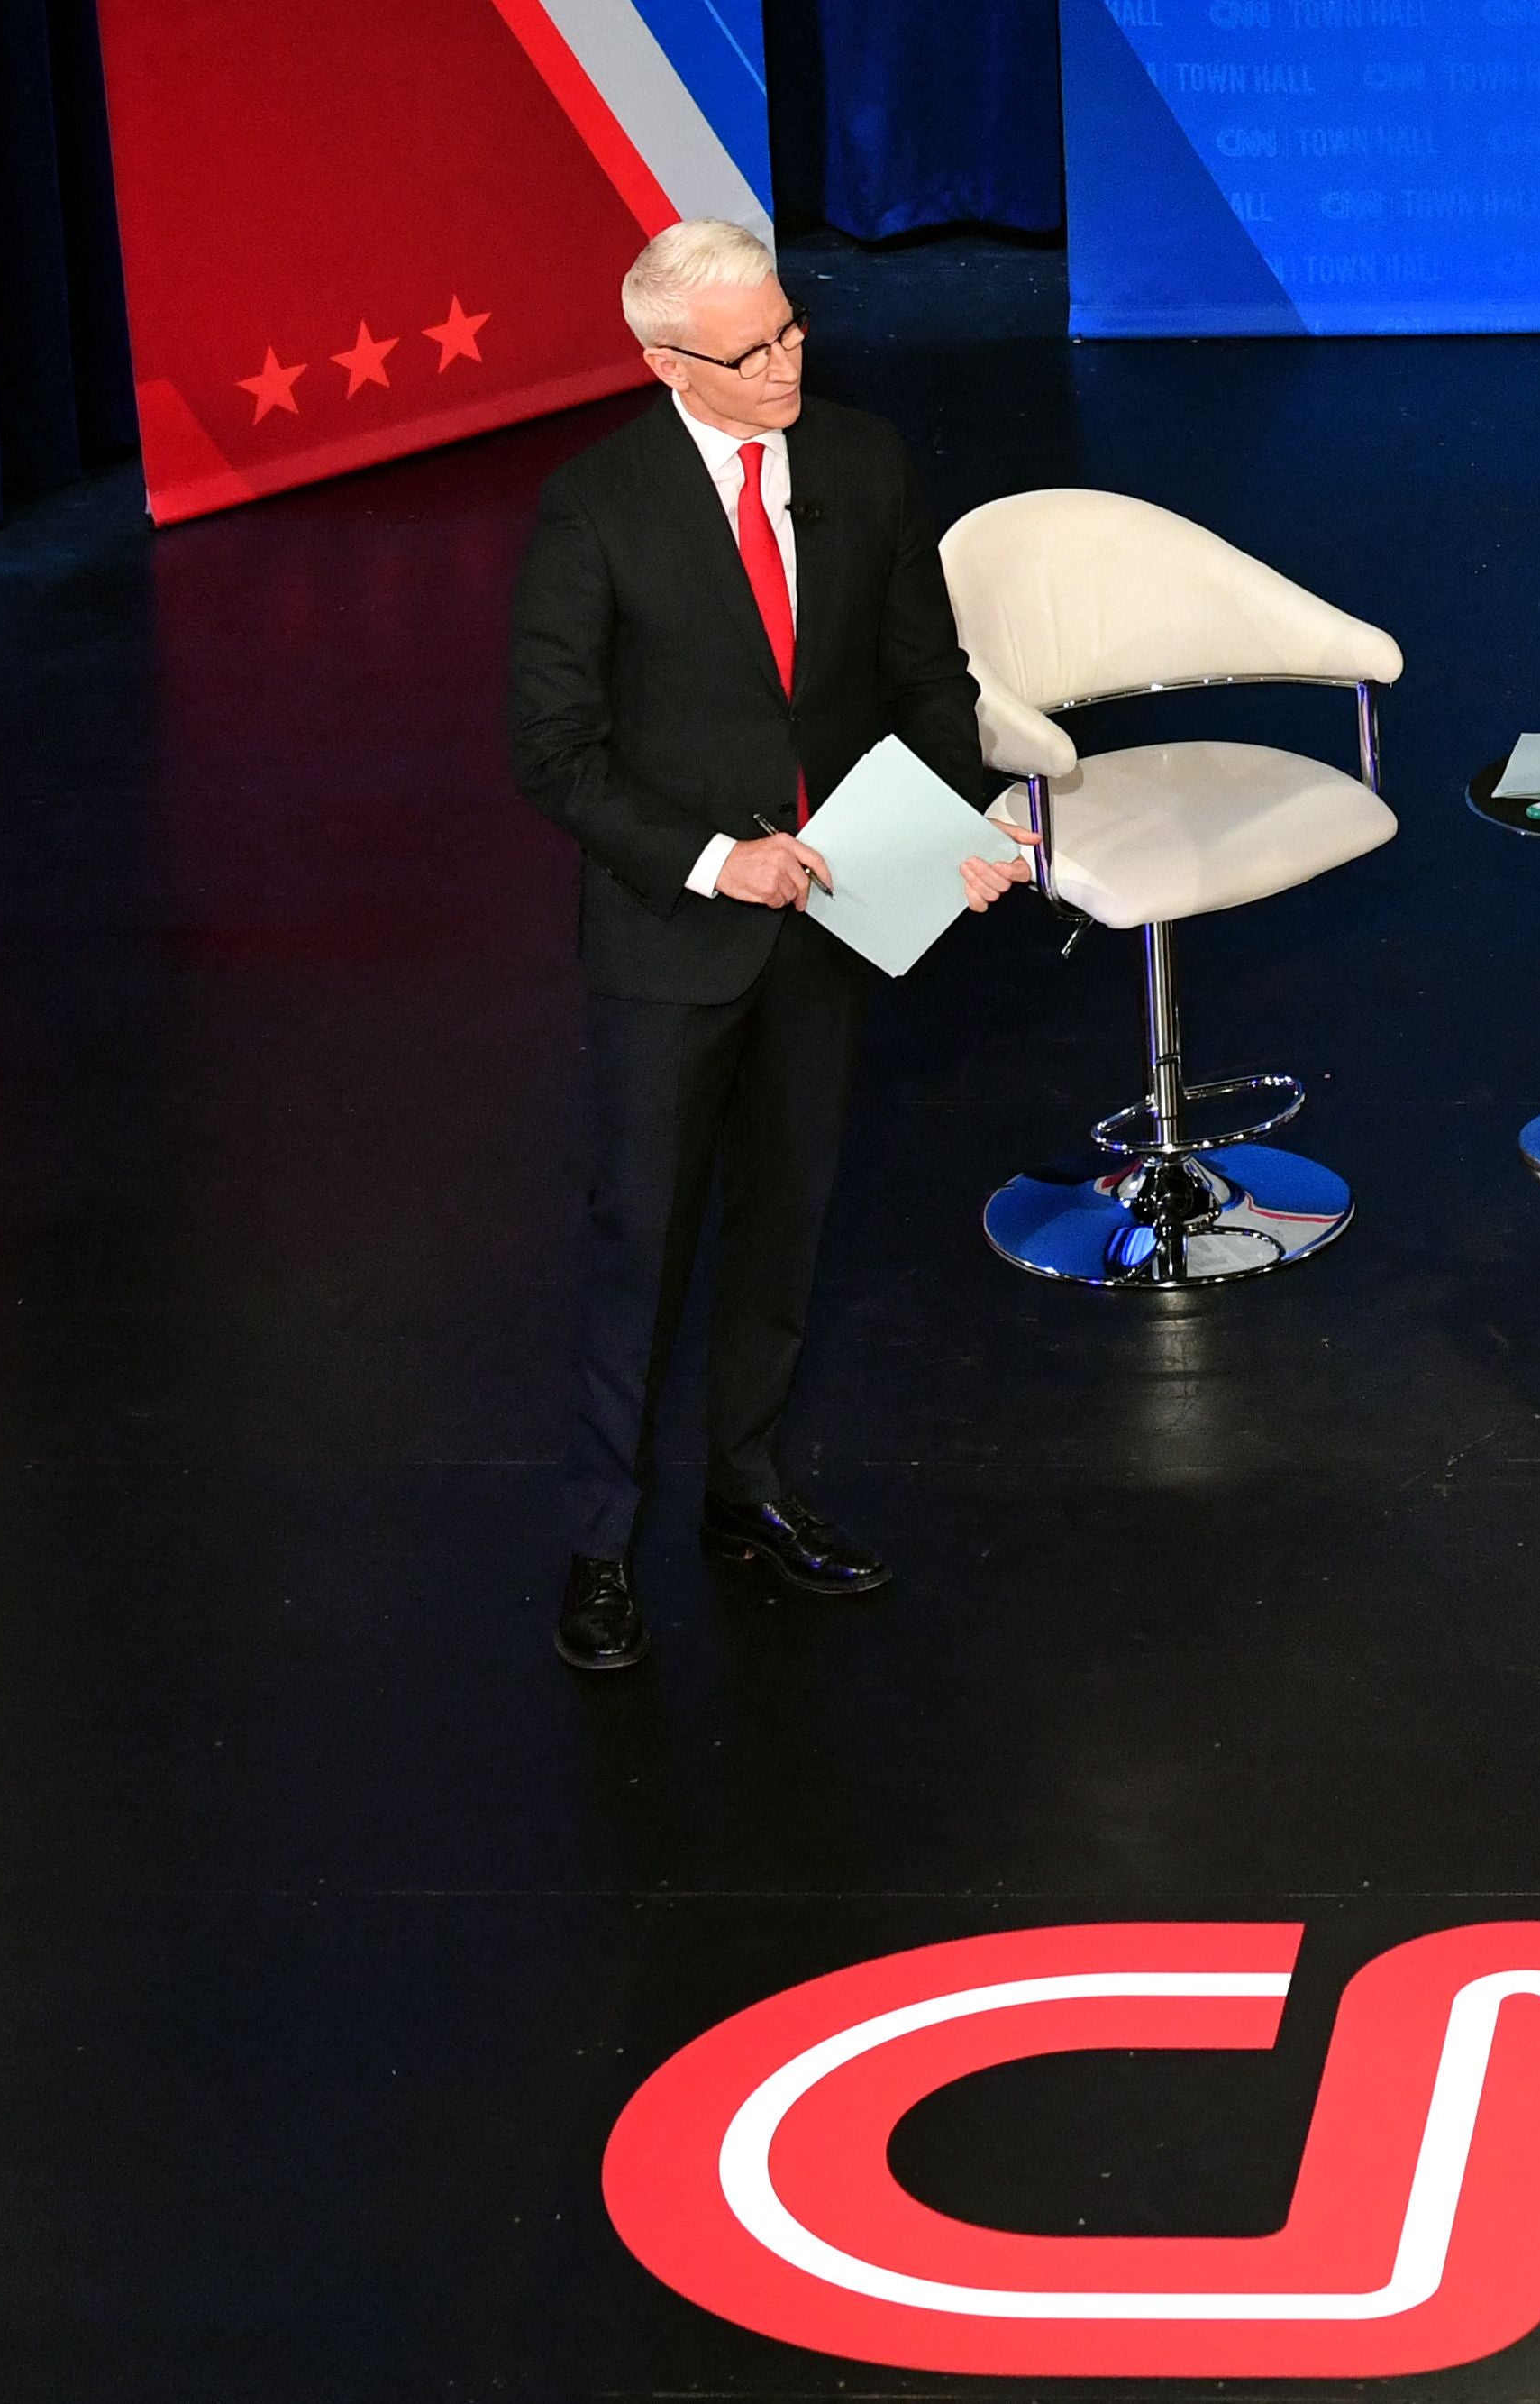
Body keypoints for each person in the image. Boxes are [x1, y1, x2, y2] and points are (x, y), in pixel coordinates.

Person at [511, 218, 1031, 1674]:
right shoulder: (594, 507)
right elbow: (552, 753)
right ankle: (600, 1546)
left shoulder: (862, 463)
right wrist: (712, 859)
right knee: (648, 1241)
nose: (785, 365)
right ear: (667, 361)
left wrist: (958, 827)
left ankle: (748, 1491)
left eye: (793, 333)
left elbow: (927, 676)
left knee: (789, 1225)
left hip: (839, 915)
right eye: (750, 354)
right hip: (675, 938)